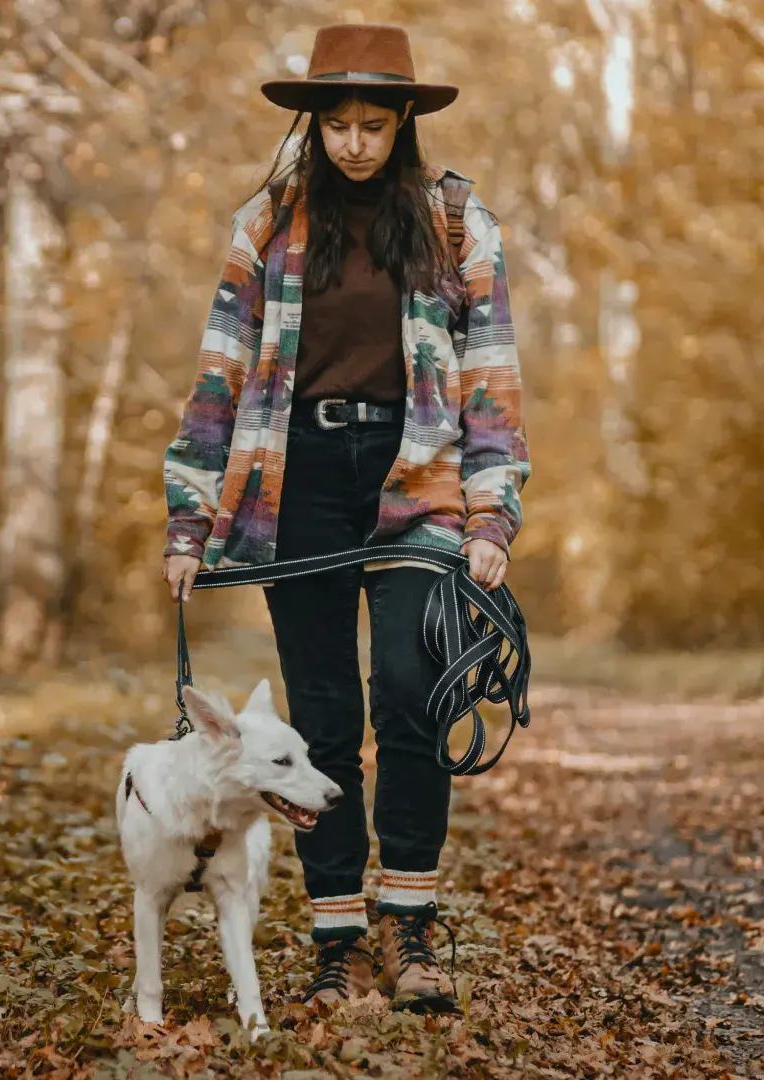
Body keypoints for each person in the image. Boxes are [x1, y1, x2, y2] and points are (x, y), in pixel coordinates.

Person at [160, 23, 530, 1013]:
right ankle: (338, 942)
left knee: (412, 694)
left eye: (374, 122)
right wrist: (188, 524)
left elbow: (491, 383)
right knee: (322, 722)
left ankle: (412, 932)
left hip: (419, 483)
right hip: (300, 482)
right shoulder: (269, 223)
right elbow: (216, 379)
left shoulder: (454, 221)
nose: (356, 142)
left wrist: (492, 517)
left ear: (405, 118)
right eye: (338, 123)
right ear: (313, 123)